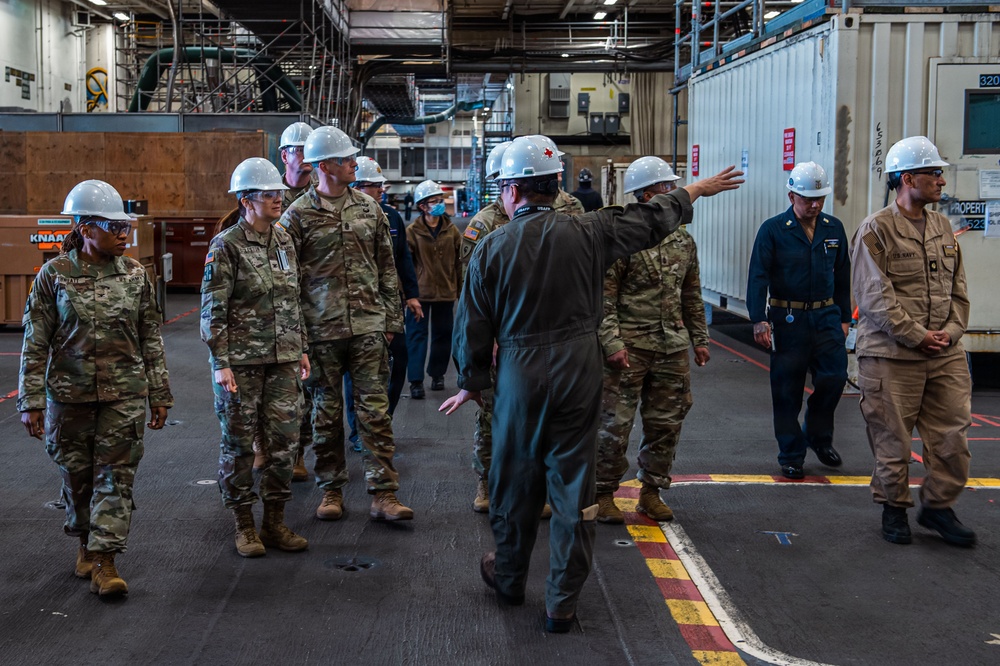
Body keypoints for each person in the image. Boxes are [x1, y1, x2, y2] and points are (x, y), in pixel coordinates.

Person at [440, 134, 742, 633]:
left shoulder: (491, 247)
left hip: (519, 373)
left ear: (512, 191)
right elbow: (651, 218)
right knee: (574, 487)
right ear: (556, 185)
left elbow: (472, 323)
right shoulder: (592, 231)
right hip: (581, 368)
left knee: (514, 481)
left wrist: (472, 380)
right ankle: (562, 603)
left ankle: (511, 580)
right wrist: (696, 189)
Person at [18, 180, 173, 597]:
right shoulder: (55, 276)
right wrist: (30, 401)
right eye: (113, 227)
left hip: (124, 394)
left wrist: (159, 393)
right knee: (77, 475)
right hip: (69, 395)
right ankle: (86, 542)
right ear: (86, 229)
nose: (124, 234)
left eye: (125, 226)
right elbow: (35, 341)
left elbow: (150, 337)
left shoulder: (136, 275)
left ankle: (106, 560)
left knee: (116, 476)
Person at [277, 126, 412, 522]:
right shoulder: (296, 216)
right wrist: (298, 336)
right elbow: (286, 282)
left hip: (368, 327)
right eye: (347, 159)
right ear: (323, 166)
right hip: (320, 332)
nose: (355, 163)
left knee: (375, 411)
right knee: (326, 413)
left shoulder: (370, 210)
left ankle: (384, 494)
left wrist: (390, 320)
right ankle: (331, 490)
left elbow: (387, 268)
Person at [851, 136, 975, 547]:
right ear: (908, 178)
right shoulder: (876, 230)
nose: (941, 179)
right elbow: (874, 298)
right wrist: (918, 336)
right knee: (893, 440)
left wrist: (952, 332)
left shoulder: (942, 227)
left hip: (945, 354)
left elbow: (958, 288)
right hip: (891, 356)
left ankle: (938, 508)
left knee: (953, 437)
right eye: (934, 172)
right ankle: (894, 509)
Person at [201, 158, 311, 557]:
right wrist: (221, 362)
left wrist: (300, 348)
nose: (278, 199)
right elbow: (213, 308)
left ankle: (276, 522)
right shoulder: (226, 245)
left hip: (282, 359)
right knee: (239, 445)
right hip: (241, 364)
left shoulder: (283, 241)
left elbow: (292, 298)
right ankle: (244, 525)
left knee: (284, 443)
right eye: (269, 194)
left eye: (279, 193)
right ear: (247, 201)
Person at [595, 156, 710, 524]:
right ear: (647, 195)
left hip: (671, 346)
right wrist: (612, 344)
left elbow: (691, 293)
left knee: (667, 422)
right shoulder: (622, 240)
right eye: (667, 188)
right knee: (615, 424)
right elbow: (604, 299)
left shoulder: (683, 241)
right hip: (629, 348)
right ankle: (603, 492)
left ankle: (651, 491)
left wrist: (700, 339)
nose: (674, 193)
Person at [460, 142, 551, 519]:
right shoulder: (484, 224)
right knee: (494, 414)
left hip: (545, 337)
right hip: (502, 338)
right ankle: (487, 479)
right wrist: (488, 339)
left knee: (542, 414)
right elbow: (472, 290)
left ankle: (535, 485)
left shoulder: (555, 216)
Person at [746, 161, 851, 479]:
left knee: (834, 379)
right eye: (808, 199)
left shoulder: (834, 228)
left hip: (826, 317)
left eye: (820, 198)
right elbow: (758, 277)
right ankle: (791, 454)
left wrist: (845, 318)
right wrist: (759, 319)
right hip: (788, 319)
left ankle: (818, 437)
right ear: (792, 196)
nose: (815, 205)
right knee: (787, 390)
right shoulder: (774, 230)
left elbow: (843, 276)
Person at [347, 158, 422, 444]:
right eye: (374, 186)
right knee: (355, 369)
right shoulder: (348, 219)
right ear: (357, 187)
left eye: (381, 186)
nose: (381, 191)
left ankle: (383, 419)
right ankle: (356, 430)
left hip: (389, 302)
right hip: (357, 306)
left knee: (399, 357)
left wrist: (412, 295)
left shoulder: (392, 218)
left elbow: (403, 258)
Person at [405, 179, 463, 399]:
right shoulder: (413, 232)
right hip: (420, 294)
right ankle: (416, 381)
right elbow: (406, 265)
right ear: (422, 206)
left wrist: (460, 289)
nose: (440, 204)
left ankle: (437, 375)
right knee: (416, 336)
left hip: (446, 293)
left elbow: (459, 262)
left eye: (441, 200)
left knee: (443, 335)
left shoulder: (451, 230)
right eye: (434, 201)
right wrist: (408, 294)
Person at [279, 121, 315, 209]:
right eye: (300, 150)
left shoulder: (322, 192)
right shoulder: (270, 194)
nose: (307, 156)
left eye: (309, 150)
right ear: (284, 156)